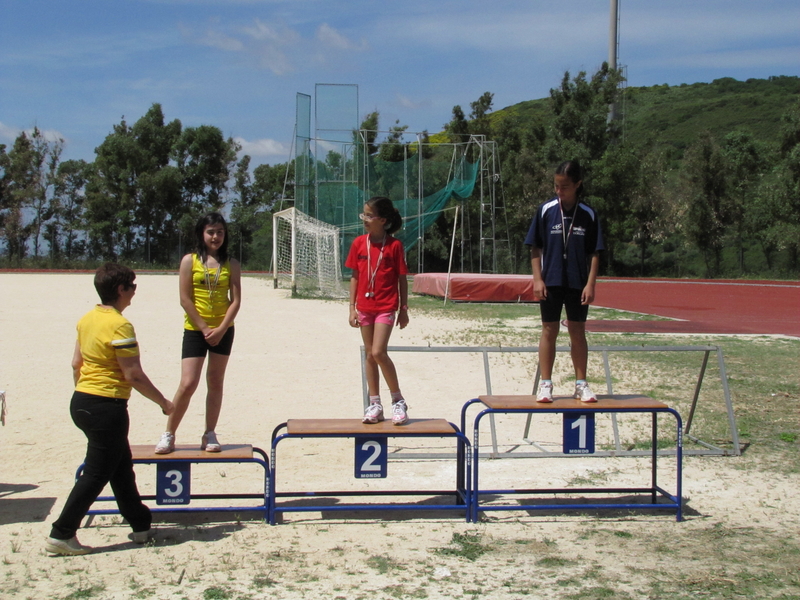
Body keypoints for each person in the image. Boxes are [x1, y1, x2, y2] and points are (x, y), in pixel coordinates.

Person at [46, 264, 174, 556]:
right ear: (121, 290)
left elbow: (76, 364)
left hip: (82, 401)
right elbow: (133, 375)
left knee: (119, 466)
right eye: (133, 286)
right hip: (107, 406)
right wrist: (164, 402)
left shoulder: (86, 319)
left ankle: (140, 524)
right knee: (95, 473)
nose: (134, 291)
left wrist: (87, 392)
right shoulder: (120, 325)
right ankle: (62, 532)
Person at [154, 212, 242, 454]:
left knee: (215, 381)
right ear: (201, 234)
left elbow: (235, 301)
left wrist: (222, 328)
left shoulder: (231, 263)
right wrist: (204, 328)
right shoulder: (188, 261)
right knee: (188, 382)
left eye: (220, 232)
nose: (215, 237)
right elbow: (185, 299)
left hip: (223, 330)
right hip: (195, 330)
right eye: (211, 232)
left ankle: (209, 433)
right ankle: (169, 434)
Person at [525, 160, 604, 403]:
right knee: (549, 329)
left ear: (578, 185)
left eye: (565, 187)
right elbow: (535, 247)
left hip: (577, 282)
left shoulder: (589, 213)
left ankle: (581, 384)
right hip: (551, 280)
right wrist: (537, 279)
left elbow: (595, 252)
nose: (560, 191)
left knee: (577, 330)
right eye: (557, 186)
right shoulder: (546, 210)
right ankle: (546, 384)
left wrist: (591, 284)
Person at [346, 196, 410, 425]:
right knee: (369, 355)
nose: (364, 219)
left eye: (369, 215)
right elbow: (355, 277)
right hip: (364, 307)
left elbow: (402, 279)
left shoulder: (394, 245)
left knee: (378, 352)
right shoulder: (358, 243)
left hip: (386, 306)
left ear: (382, 220)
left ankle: (398, 401)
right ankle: (374, 403)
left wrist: (403, 308)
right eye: (363, 214)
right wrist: (351, 308)